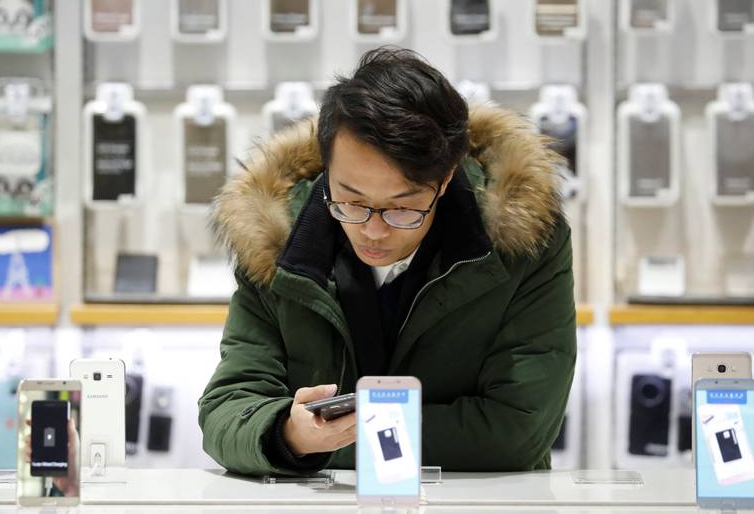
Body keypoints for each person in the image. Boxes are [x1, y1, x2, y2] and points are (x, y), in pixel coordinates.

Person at [199, 47, 576, 475]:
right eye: (351, 201)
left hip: (473, 501)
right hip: (320, 504)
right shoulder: (274, 238)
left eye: (402, 208)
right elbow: (228, 408)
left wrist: (330, 443)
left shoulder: (525, 243)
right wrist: (286, 434)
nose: (373, 231)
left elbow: (518, 430)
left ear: (446, 178)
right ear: (326, 168)